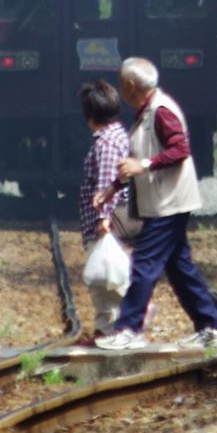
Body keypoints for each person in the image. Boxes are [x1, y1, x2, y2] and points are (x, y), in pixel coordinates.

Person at [93, 57, 217, 351]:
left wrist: (143, 165)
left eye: (121, 84)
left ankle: (128, 329)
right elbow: (135, 163)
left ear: (131, 85)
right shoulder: (148, 111)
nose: (121, 91)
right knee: (180, 268)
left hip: (169, 204)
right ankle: (212, 327)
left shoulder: (161, 110)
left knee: (144, 265)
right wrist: (113, 189)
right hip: (164, 202)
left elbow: (180, 150)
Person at [78, 80, 131, 339]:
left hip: (107, 224)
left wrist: (102, 220)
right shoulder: (118, 135)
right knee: (109, 279)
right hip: (115, 220)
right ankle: (109, 330)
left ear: (90, 116)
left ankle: (108, 332)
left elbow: (107, 183)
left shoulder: (107, 143)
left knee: (104, 282)